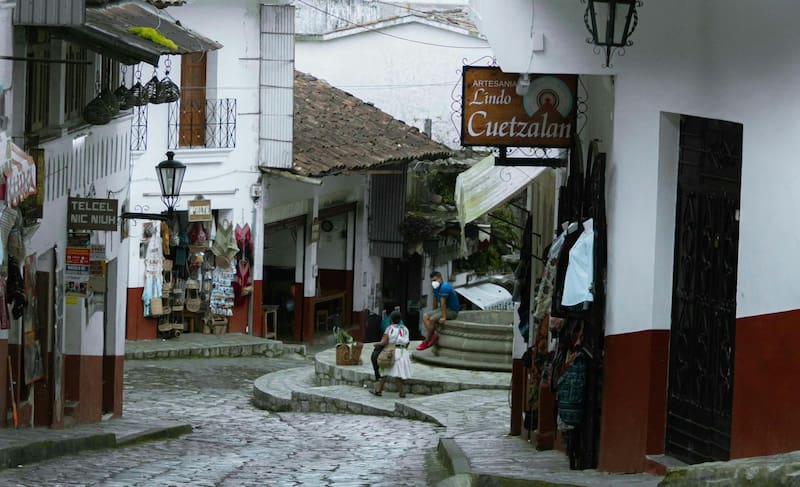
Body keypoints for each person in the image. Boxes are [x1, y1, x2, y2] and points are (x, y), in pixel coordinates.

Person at [370, 310, 411, 397]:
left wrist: (376, 344)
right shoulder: (405, 329)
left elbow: (384, 342)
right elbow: (407, 342)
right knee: (390, 372)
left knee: (389, 371)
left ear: (391, 319)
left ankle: (401, 392)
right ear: (400, 319)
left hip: (392, 352)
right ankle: (379, 390)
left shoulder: (389, 328)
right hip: (403, 352)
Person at [417, 271, 460, 351]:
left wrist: (443, 317)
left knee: (432, 319)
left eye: (435, 280)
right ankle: (433, 335)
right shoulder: (436, 288)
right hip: (443, 309)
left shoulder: (445, 287)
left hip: (452, 311)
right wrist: (435, 312)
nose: (433, 282)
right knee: (425, 316)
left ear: (440, 279)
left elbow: (443, 303)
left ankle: (426, 341)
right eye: (432, 281)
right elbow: (435, 301)